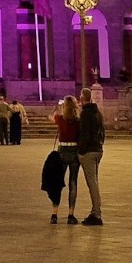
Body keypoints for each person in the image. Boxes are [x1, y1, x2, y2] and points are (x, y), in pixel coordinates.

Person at [75, 86, 105, 226]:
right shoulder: (97, 112)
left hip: (89, 151)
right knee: (94, 182)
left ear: (82, 98)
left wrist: (81, 151)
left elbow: (84, 134)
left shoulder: (85, 114)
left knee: (92, 183)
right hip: (98, 149)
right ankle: (95, 212)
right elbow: (102, 132)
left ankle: (96, 214)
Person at [53, 96, 82, 224]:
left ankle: (54, 214)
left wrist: (59, 108)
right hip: (74, 152)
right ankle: (71, 214)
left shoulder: (60, 119)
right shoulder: (78, 120)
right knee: (73, 182)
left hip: (62, 152)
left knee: (58, 182)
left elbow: (51, 116)